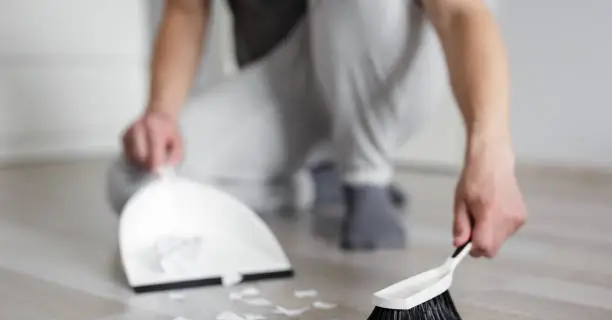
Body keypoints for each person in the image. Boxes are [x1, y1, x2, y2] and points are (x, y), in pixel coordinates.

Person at [108, 0, 526, 256]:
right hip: (287, 81)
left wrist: (490, 151)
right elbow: (185, 8)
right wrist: (161, 113)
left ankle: (366, 177)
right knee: (138, 181)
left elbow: (461, 12)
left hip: (385, 67)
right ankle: (310, 183)